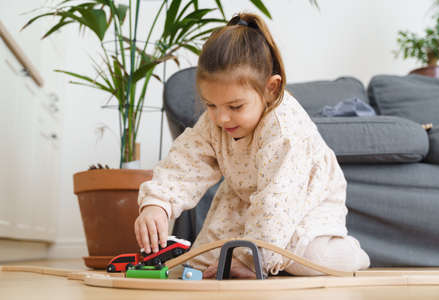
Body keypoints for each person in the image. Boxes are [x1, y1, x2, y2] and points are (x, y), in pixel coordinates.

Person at [135, 12, 370, 278]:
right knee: (199, 264)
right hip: (244, 202)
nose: (221, 118)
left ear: (271, 89)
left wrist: (251, 261)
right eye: (210, 105)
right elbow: (186, 161)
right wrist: (158, 203)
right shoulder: (216, 121)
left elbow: (276, 201)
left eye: (235, 106)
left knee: (309, 259)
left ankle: (349, 252)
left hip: (305, 205)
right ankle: (263, 257)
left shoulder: (285, 129)